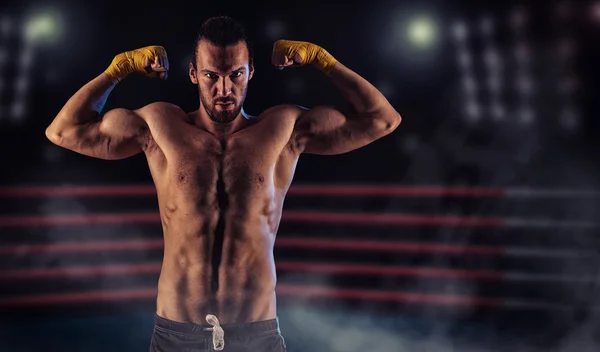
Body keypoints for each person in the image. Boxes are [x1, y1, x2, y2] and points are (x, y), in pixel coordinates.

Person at [45, 16, 401, 352]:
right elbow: (64, 131)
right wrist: (116, 70)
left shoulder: (283, 130)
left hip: (256, 334)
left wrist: (324, 60)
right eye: (212, 76)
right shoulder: (160, 127)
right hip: (176, 334)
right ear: (193, 75)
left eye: (236, 75)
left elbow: (382, 120)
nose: (224, 89)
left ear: (251, 73)